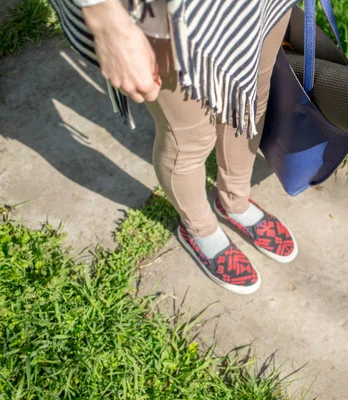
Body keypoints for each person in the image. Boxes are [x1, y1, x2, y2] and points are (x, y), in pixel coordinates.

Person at [60, 0, 299, 294]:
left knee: (249, 97)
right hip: (163, 10)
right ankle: (198, 227)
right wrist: (104, 16)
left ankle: (234, 200)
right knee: (187, 137)